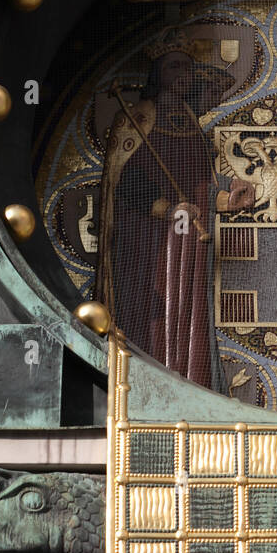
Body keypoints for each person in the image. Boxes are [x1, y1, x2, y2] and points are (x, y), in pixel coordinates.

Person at [96, 31, 254, 389]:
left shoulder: (192, 125)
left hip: (188, 240)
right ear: (158, 73)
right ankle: (149, 378)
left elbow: (199, 185)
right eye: (174, 66)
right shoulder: (137, 119)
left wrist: (227, 199)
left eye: (187, 67)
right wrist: (166, 208)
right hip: (148, 241)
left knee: (188, 311)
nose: (183, 73)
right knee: (157, 309)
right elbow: (124, 183)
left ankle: (191, 381)